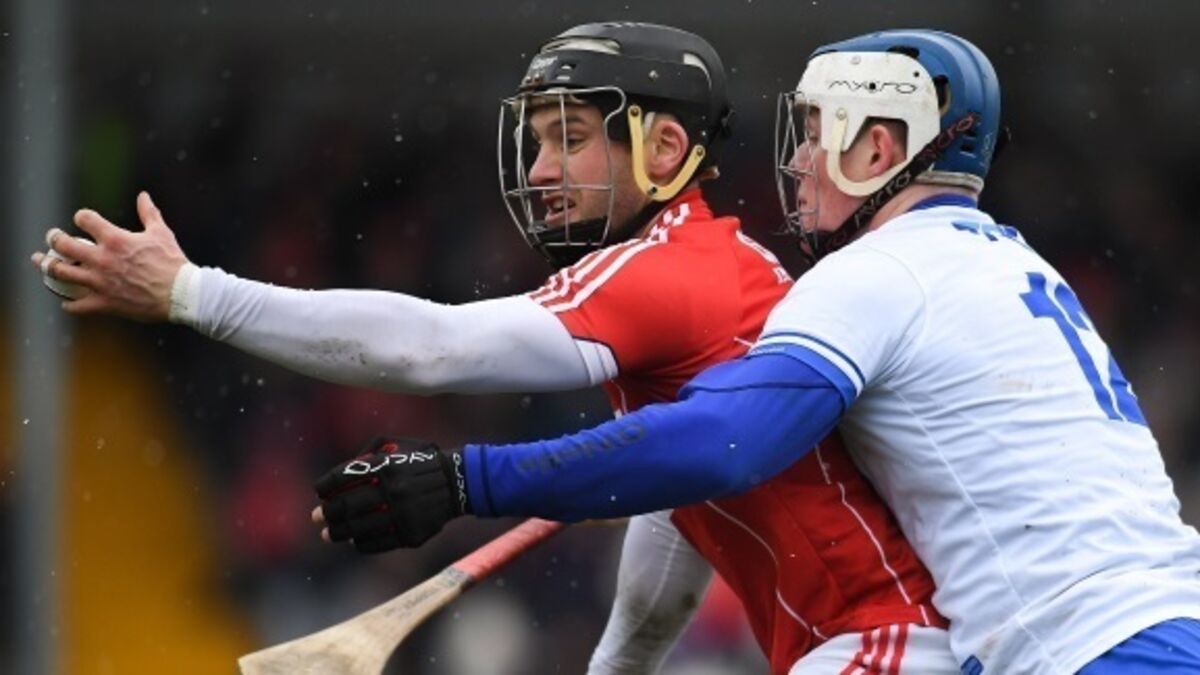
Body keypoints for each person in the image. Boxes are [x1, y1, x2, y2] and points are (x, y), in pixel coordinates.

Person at [32, 22, 960, 674]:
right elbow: (681, 508)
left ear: (665, 147)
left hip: (883, 644)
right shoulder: (715, 271)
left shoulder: (673, 271)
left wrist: (194, 294)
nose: (542, 169)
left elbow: (431, 350)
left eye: (570, 140)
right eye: (539, 141)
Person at [309, 28, 1200, 674]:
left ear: (880, 146)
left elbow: (719, 444)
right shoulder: (1017, 263)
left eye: (818, 129)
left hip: (1091, 648)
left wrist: (468, 479)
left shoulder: (878, 272)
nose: (801, 159)